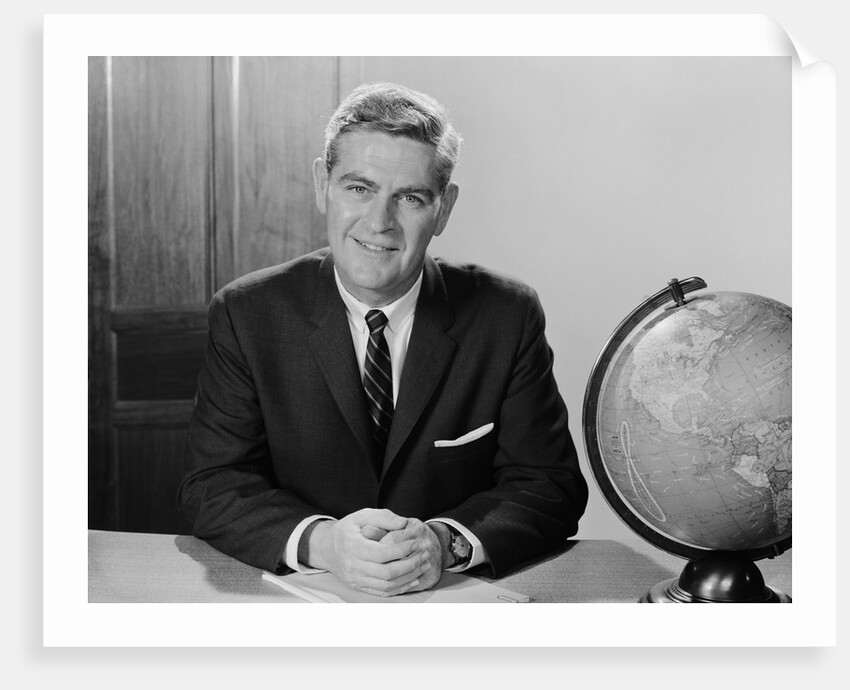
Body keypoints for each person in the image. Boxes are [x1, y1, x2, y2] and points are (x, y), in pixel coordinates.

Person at [179, 82, 588, 597]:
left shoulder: (507, 316)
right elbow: (212, 485)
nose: (379, 221)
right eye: (358, 188)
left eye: (410, 198)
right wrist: (324, 543)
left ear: (443, 209)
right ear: (320, 184)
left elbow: (549, 487)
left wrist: (443, 544)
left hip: (450, 604)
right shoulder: (247, 313)